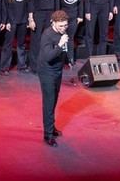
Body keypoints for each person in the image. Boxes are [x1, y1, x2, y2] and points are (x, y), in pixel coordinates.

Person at [38, 10, 70, 147]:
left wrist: (67, 60)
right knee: (49, 102)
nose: (64, 28)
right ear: (54, 23)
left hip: (57, 70)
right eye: (61, 26)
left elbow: (63, 51)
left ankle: (51, 127)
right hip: (47, 72)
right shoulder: (47, 35)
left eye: (65, 25)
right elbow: (48, 56)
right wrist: (61, 44)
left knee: (55, 99)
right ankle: (48, 134)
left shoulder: (61, 33)